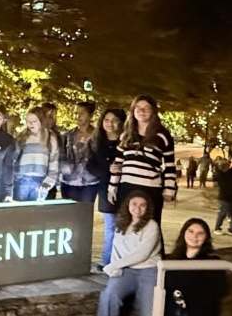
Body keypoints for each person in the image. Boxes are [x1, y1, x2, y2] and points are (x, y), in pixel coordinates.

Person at [88, 189, 162, 316]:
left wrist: (115, 265)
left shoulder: (151, 226)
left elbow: (142, 253)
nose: (138, 208)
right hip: (126, 270)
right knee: (108, 295)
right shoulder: (121, 224)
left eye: (142, 205)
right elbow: (117, 249)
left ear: (147, 208)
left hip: (148, 271)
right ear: (128, 206)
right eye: (134, 204)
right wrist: (115, 267)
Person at [108, 95, 177, 222]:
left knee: (150, 225)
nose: (142, 111)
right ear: (133, 111)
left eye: (146, 108)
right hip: (126, 187)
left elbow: (170, 165)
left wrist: (169, 190)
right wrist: (112, 188)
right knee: (125, 224)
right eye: (138, 108)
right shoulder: (126, 135)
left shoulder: (162, 135)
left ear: (153, 111)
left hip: (150, 188)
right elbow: (118, 163)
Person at [87, 108, 127, 270]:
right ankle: (107, 262)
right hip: (105, 188)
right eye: (106, 120)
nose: (110, 124)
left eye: (114, 120)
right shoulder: (96, 142)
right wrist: (107, 170)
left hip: (125, 187)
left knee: (125, 226)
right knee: (110, 226)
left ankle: (122, 261)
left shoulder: (127, 142)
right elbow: (90, 165)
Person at [6, 107, 59, 202]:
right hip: (21, 180)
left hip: (40, 182)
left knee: (36, 214)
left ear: (41, 121)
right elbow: (13, 159)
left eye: (34, 121)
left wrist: (48, 182)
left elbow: (54, 164)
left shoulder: (50, 138)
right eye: (28, 121)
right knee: (20, 212)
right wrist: (12, 179)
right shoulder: (23, 137)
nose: (30, 124)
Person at [60, 101, 100, 203]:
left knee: (85, 214)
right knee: (69, 214)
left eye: (82, 113)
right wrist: (65, 166)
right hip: (69, 181)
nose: (77, 116)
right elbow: (61, 155)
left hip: (89, 181)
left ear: (90, 115)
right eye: (76, 113)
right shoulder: (68, 136)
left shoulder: (98, 136)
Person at [43, 102, 64, 198]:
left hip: (51, 180)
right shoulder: (30, 134)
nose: (52, 119)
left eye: (54, 116)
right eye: (49, 116)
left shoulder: (57, 135)